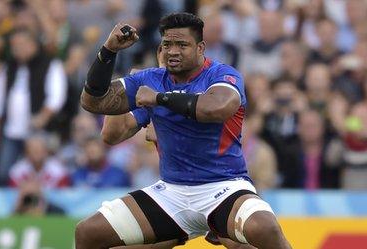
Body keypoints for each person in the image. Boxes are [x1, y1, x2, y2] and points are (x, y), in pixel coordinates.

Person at [75, 12, 291, 248]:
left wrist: (159, 98)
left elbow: (215, 108)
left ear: (201, 48)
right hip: (171, 192)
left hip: (222, 187)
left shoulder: (221, 74)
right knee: (88, 232)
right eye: (167, 44)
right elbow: (93, 102)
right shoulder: (150, 80)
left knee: (265, 227)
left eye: (182, 45)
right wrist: (109, 51)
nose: (173, 51)